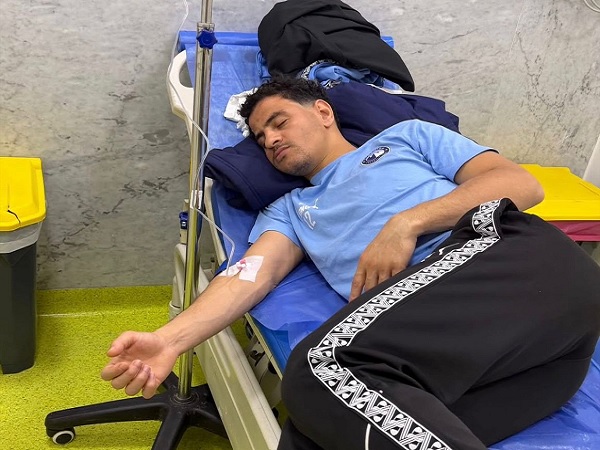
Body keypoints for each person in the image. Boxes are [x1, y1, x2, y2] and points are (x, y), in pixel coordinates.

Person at [102, 77, 600, 450]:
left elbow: (520, 186)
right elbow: (249, 276)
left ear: (322, 111)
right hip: (546, 361)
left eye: (279, 122)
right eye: (260, 137)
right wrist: (170, 340)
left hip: (507, 257)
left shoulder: (406, 138)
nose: (270, 139)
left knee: (322, 367)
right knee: (316, 431)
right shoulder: (289, 210)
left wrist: (406, 224)